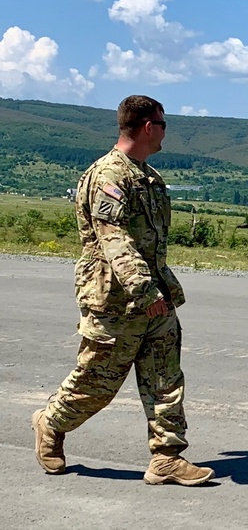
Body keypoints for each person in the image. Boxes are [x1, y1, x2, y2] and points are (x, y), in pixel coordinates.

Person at [31, 95, 214, 486]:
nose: (166, 132)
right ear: (148, 127)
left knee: (165, 378)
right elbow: (114, 240)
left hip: (155, 298)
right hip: (117, 300)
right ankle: (50, 422)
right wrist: (145, 293)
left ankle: (166, 458)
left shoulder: (148, 177)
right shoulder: (109, 176)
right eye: (164, 124)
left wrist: (158, 296)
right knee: (97, 383)